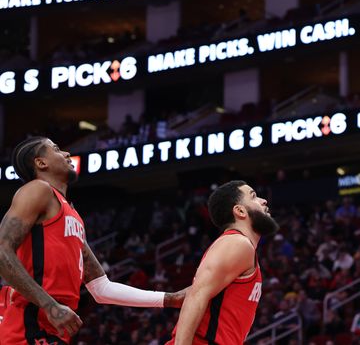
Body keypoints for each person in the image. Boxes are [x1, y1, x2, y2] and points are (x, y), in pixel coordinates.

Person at [0, 137, 185, 344]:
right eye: (57, 149)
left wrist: (169, 298)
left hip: (54, 326)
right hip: (30, 323)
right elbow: (2, 251)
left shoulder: (72, 214)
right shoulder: (38, 189)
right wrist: (49, 305)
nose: (67, 154)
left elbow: (101, 288)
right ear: (41, 163)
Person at [166, 180, 279, 345]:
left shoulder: (239, 247)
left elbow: (196, 292)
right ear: (240, 211)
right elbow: (196, 296)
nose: (263, 201)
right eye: (254, 197)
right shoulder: (237, 243)